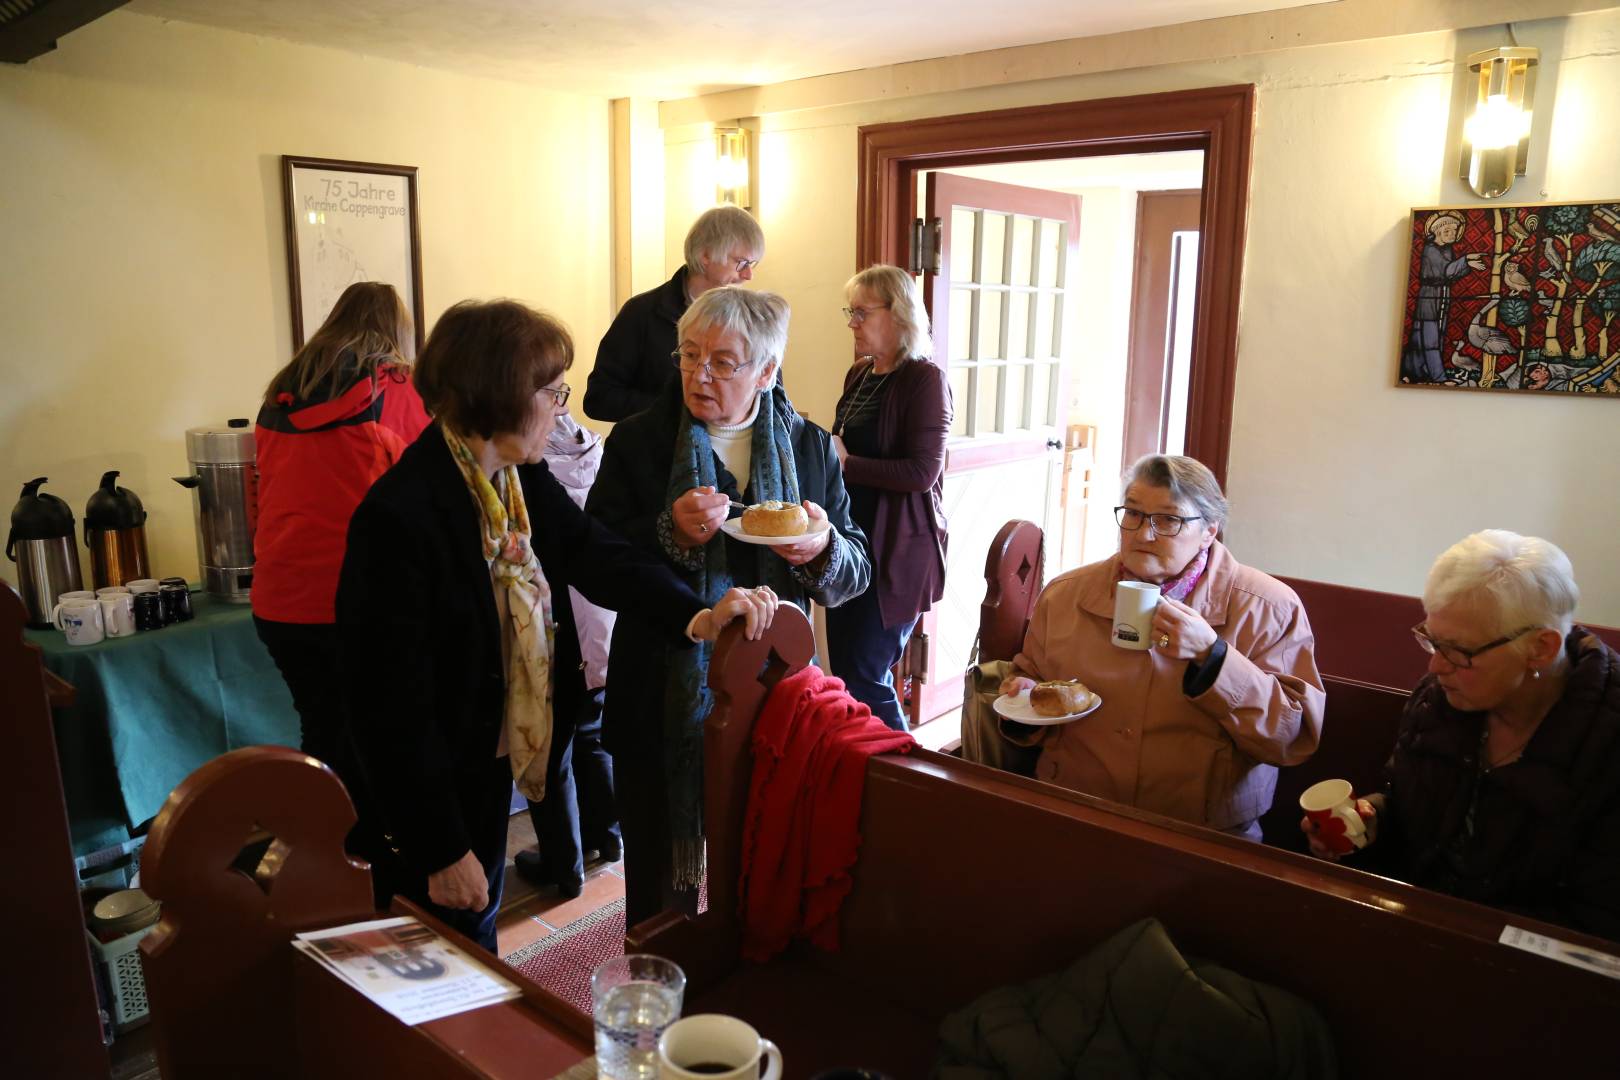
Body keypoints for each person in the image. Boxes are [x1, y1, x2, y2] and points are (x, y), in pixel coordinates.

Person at [335, 298, 779, 952]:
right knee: (442, 955)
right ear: (498, 399)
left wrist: (697, 614)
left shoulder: (512, 476)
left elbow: (594, 551)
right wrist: (440, 846)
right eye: (551, 392)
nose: (561, 410)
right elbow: (388, 705)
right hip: (432, 785)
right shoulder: (401, 515)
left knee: (475, 937)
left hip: (484, 755)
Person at [588, 285, 871, 927]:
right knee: (661, 902)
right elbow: (597, 560)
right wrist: (669, 532)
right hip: (660, 692)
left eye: (722, 362)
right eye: (689, 356)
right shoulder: (640, 442)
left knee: (767, 866)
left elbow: (854, 574)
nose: (699, 375)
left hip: (775, 698)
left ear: (767, 372)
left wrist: (823, 548)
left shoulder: (809, 447)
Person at [1303, 531, 1620, 941]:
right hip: (1413, 932)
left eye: (1458, 651)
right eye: (1432, 641)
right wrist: (1370, 822)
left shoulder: (1606, 743)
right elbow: (1409, 809)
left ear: (1541, 648)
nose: (1435, 666)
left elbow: (1596, 922)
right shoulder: (1439, 701)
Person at [999, 454, 1325, 838]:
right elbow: (1031, 679)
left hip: (1202, 832)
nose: (1143, 534)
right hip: (1076, 812)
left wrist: (1213, 656)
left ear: (1209, 531)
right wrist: (1023, 695)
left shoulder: (1267, 607)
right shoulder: (1066, 595)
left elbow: (1290, 737)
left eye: (1168, 520)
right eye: (1133, 513)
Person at [252, 281, 430, 775]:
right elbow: (432, 478)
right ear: (397, 332)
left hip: (279, 596)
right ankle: (368, 847)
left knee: (323, 729)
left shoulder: (281, 393)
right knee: (380, 738)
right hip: (357, 592)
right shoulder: (396, 388)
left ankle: (328, 843)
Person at [825, 264, 951, 730]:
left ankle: (905, 777)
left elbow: (922, 473)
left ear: (898, 314)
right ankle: (866, 773)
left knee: (865, 675)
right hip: (849, 543)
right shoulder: (859, 375)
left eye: (861, 312)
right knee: (846, 674)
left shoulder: (924, 380)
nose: (852, 323)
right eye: (850, 312)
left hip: (896, 550)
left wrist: (846, 463)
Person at [512, 409, 623, 899]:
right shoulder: (592, 446)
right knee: (592, 734)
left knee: (551, 749)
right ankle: (608, 836)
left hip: (561, 625)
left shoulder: (526, 465)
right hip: (603, 620)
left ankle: (565, 865)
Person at [583, 206, 765, 422]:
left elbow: (770, 392)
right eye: (741, 263)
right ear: (706, 255)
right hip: (658, 451)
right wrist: (680, 409)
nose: (749, 275)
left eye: (751, 264)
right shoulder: (640, 313)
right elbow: (599, 398)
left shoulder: (754, 321)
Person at [1400, 210, 1486, 384]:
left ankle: (1412, 371)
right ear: (1437, 232)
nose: (1452, 234)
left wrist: (1466, 264)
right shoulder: (1430, 249)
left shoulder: (1446, 249)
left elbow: (1451, 274)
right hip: (1430, 297)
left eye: (1454, 231)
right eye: (1447, 231)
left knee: (1420, 336)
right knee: (1430, 337)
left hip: (1441, 296)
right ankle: (1438, 377)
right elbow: (1446, 271)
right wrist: (1466, 259)